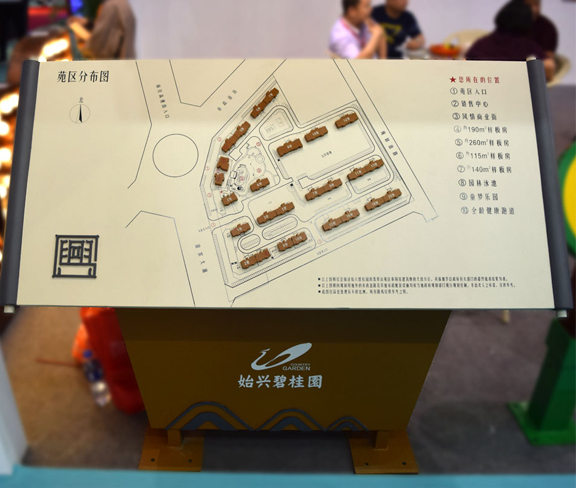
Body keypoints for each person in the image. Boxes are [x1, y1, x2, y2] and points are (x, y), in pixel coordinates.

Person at [466, 0, 555, 81]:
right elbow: (549, 67)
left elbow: (466, 64)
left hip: (484, 88)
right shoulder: (527, 46)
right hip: (518, 90)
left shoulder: (482, 44)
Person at [68, 0, 136, 59]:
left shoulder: (112, 6)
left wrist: (80, 45)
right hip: (127, 63)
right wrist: (88, 23)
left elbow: (98, 47)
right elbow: (111, 30)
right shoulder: (122, 3)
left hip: (116, 66)